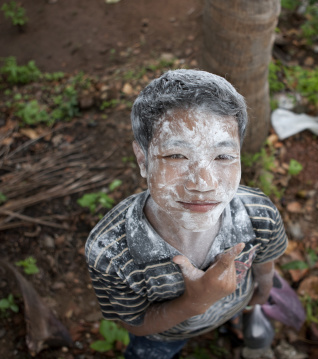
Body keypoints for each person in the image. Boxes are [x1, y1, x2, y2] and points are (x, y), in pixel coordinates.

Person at [85, 69, 287, 359]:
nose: (203, 184)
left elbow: (266, 261)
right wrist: (195, 303)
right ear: (143, 159)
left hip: (237, 305)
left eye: (223, 156)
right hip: (165, 335)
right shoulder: (110, 252)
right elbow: (133, 323)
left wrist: (263, 288)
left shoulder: (259, 213)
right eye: (176, 156)